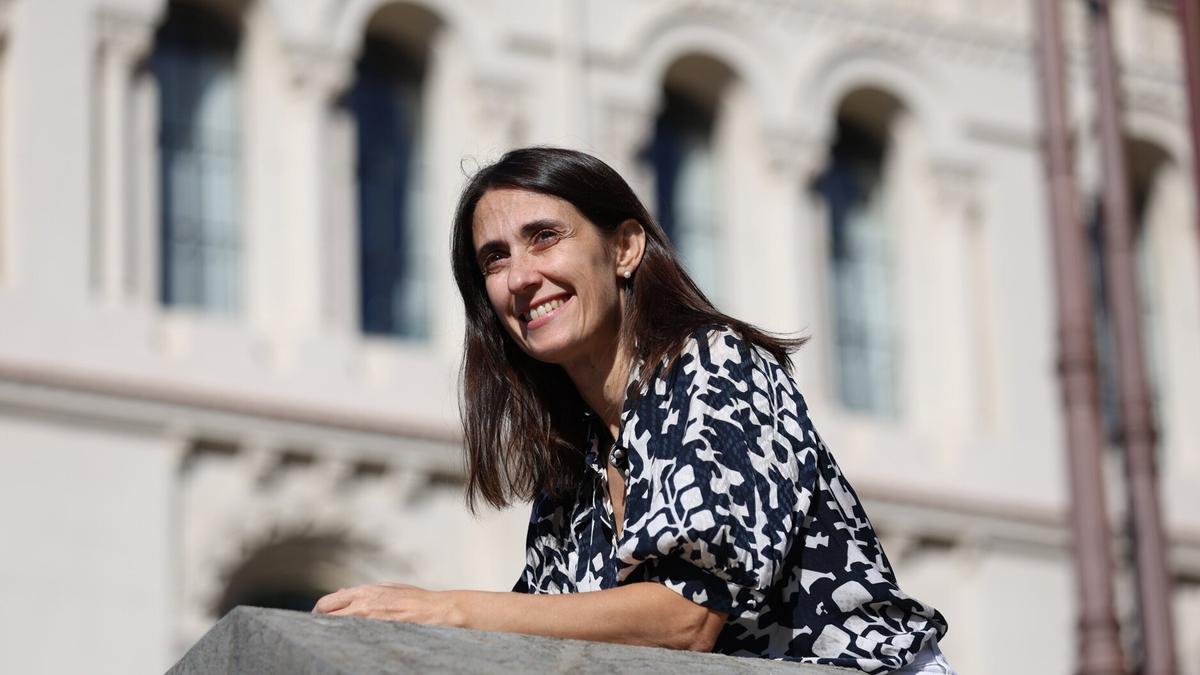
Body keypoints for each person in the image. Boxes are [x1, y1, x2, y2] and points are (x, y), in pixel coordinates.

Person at [313, 147, 954, 674]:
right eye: (495, 258)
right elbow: (548, 639)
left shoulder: (713, 366)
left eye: (544, 238)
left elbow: (685, 620)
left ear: (624, 248)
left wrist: (445, 610)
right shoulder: (579, 457)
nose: (519, 278)